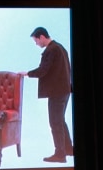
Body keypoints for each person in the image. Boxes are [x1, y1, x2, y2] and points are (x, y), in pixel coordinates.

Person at [19, 26, 74, 163]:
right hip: (65, 90)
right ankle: (68, 149)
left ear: (42, 37)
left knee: (55, 122)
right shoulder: (60, 48)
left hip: (57, 92)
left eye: (36, 40)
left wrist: (27, 73)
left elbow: (43, 70)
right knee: (60, 120)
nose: (36, 43)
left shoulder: (51, 50)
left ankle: (60, 154)